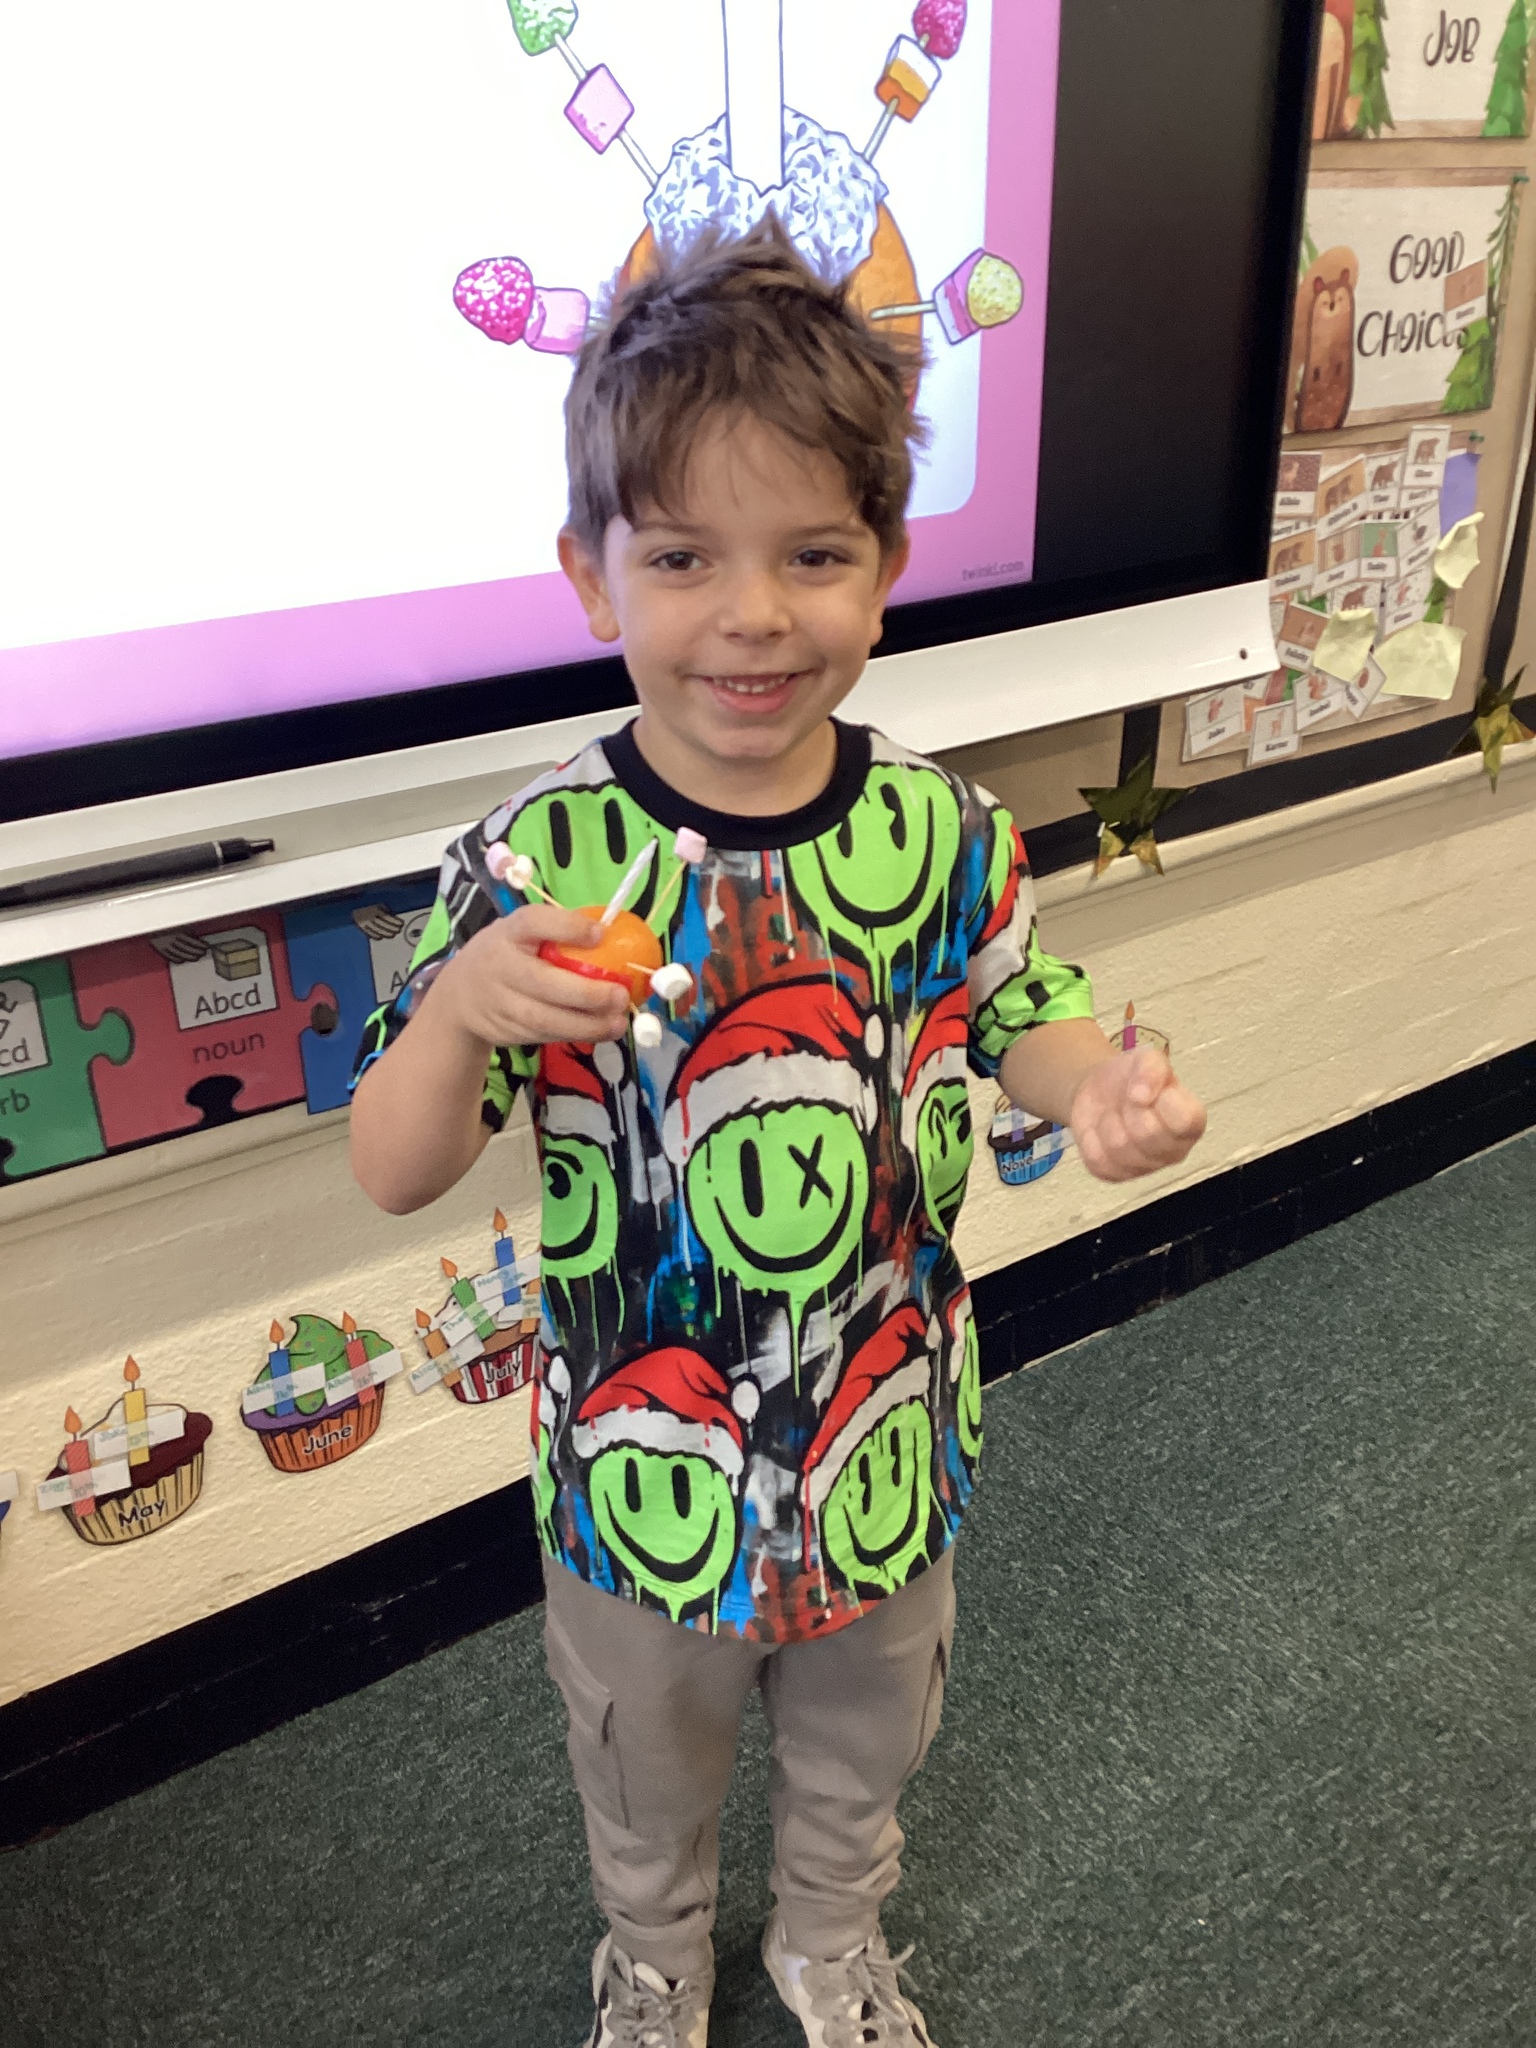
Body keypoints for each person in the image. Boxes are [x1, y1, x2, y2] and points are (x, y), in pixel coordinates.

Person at [350, 224, 1206, 2048]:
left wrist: (1094, 1093)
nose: (753, 613)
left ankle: (831, 1940)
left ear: (885, 569)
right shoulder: (534, 864)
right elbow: (393, 1165)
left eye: (813, 554)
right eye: (682, 558)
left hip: (881, 1441)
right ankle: (655, 1959)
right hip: (632, 1478)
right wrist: (463, 1006)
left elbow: (1024, 1014)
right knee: (642, 1764)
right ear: (591, 578)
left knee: (864, 1747)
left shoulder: (947, 830)